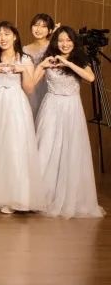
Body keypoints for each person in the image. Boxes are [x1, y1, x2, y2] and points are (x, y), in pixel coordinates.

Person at [32, 26, 105, 218]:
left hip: (72, 108)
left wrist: (68, 63)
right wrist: (42, 66)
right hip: (51, 106)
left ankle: (68, 197)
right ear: (55, 42)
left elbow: (90, 78)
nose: (64, 44)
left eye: (68, 40)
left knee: (70, 151)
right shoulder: (48, 59)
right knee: (47, 147)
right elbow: (31, 83)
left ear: (74, 42)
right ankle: (39, 197)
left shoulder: (80, 59)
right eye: (61, 40)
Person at [0, 21, 45, 214]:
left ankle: (15, 196)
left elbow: (29, 88)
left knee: (14, 146)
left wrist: (23, 70)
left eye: (6, 34)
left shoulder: (25, 59)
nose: (2, 38)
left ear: (15, 36)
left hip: (16, 104)